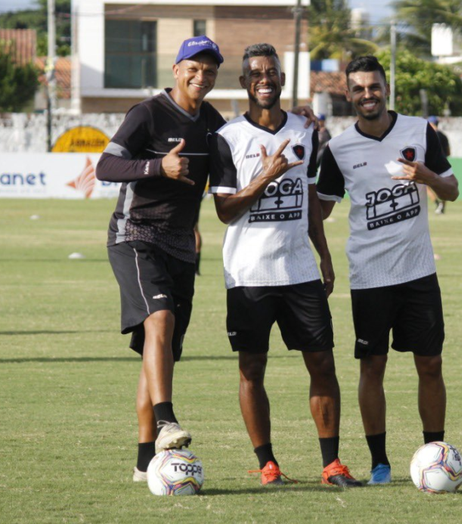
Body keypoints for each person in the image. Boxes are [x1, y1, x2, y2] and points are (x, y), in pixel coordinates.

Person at [209, 43, 362, 488]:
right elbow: (224, 210)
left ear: (281, 80)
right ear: (243, 82)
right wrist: (266, 176)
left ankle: (332, 465)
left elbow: (311, 198)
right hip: (248, 275)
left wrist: (325, 255)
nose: (264, 79)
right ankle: (268, 465)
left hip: (299, 272)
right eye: (255, 72)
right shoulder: (226, 139)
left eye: (271, 72)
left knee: (323, 365)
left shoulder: (307, 131)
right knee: (252, 369)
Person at [316, 56, 459, 485]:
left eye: (373, 86)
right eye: (358, 88)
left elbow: (451, 189)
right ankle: (379, 462)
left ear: (386, 88)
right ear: (348, 94)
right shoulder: (338, 150)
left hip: (417, 271)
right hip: (370, 276)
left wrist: (426, 174)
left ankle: (435, 453)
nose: (367, 94)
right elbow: (318, 209)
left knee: (430, 363)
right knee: (371, 367)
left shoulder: (419, 131)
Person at [96, 36, 227, 482]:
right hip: (134, 235)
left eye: (210, 71)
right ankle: (167, 421)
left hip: (181, 246)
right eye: (193, 68)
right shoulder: (147, 113)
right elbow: (105, 167)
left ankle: (141, 464)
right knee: (160, 320)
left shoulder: (213, 123)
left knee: (161, 351)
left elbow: (227, 182)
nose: (201, 77)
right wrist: (158, 167)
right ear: (176, 70)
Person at [427, 115, 451, 214]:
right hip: (443, 165)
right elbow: (449, 152)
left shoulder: (429, 135)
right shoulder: (444, 136)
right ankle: (442, 206)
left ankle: (437, 203)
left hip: (431, 165)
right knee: (444, 186)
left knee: (426, 186)